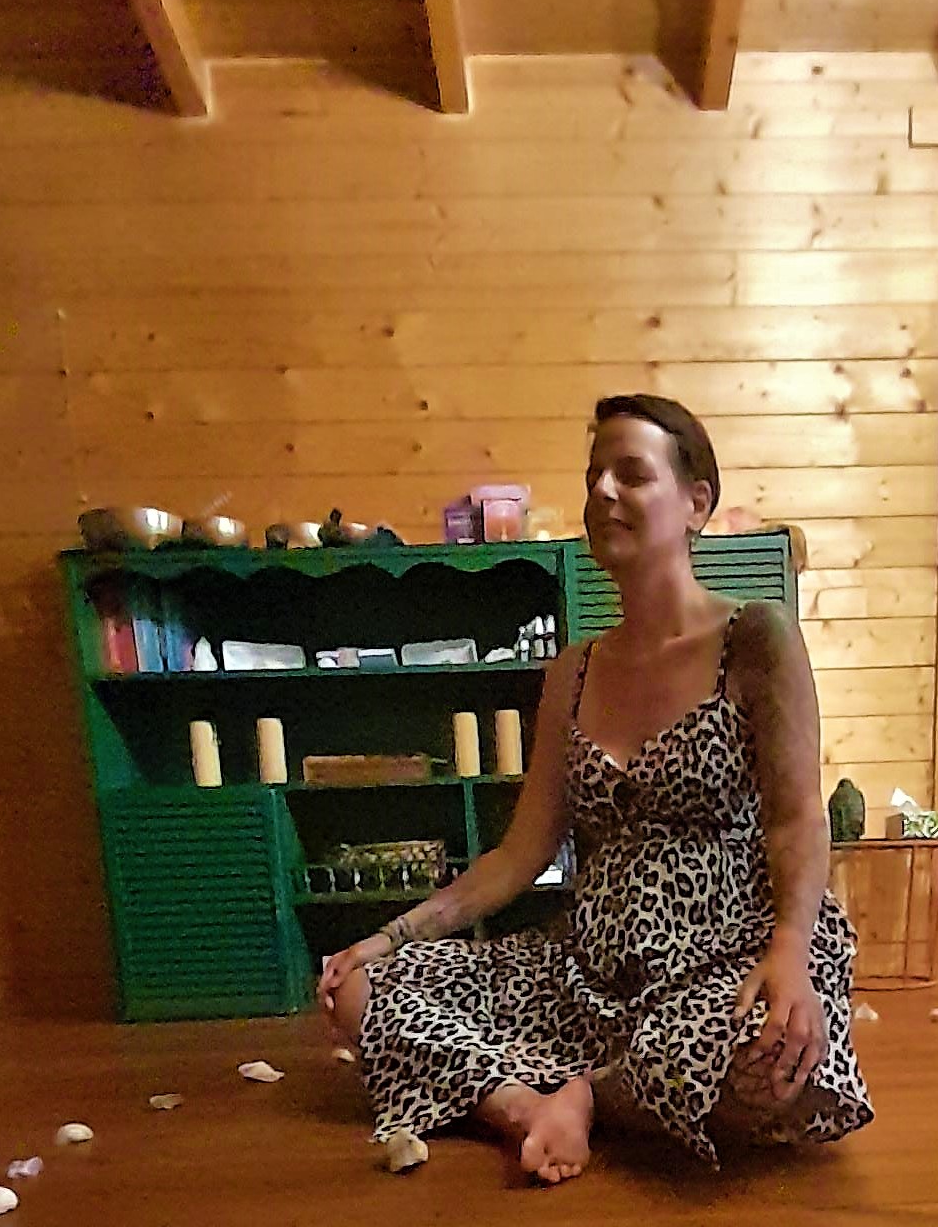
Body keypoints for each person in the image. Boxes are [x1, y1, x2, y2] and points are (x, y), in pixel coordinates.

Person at [320, 394, 872, 1183]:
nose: (603, 491)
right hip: (585, 974)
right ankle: (528, 1105)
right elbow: (518, 856)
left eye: (631, 474)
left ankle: (580, 1091)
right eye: (593, 477)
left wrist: (789, 951)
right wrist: (390, 936)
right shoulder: (572, 672)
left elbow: (795, 819)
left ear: (695, 503)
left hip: (727, 960)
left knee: (767, 1061)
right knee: (361, 992)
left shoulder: (755, 637)